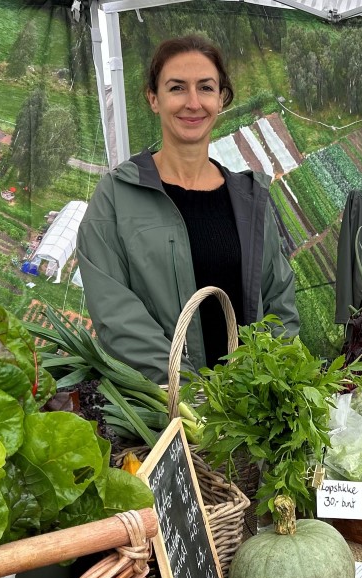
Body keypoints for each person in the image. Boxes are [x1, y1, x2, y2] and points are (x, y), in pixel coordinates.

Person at [78, 36, 299, 384]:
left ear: (221, 99)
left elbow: (279, 301)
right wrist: (189, 393)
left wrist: (261, 388)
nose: (193, 103)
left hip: (247, 413)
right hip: (165, 415)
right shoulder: (117, 197)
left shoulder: (248, 198)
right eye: (177, 88)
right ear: (154, 98)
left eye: (206, 88)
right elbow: (115, 315)